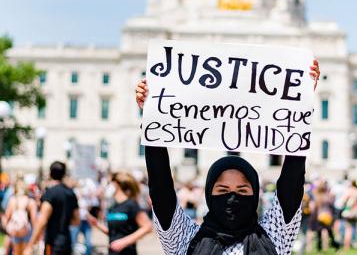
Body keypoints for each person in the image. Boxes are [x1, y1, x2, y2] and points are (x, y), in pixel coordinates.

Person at [135, 59, 320, 254]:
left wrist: (301, 99)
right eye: (223, 190)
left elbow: (291, 184)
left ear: (255, 194)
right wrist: (153, 115)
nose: (232, 199)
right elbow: (161, 187)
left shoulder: (274, 235)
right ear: (209, 194)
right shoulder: (186, 239)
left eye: (242, 190)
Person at [89, 172, 153, 255]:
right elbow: (114, 233)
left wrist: (124, 242)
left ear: (116, 184)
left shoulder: (131, 205)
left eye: (110, 183)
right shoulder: (113, 206)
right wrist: (97, 224)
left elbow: (148, 227)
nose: (108, 186)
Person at [25, 161, 80, 255]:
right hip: (66, 241)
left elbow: (42, 220)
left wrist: (30, 245)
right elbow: (76, 220)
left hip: (53, 242)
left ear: (50, 173)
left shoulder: (50, 193)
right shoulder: (71, 193)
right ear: (63, 174)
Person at [3, 177, 37, 255]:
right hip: (27, 230)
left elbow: (6, 217)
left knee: (17, 252)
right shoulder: (30, 201)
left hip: (15, 230)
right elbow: (34, 220)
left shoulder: (12, 200)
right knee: (26, 252)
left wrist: (8, 230)